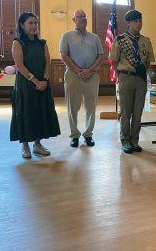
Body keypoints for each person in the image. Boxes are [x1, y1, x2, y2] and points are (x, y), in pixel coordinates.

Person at [10, 12, 61, 159]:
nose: (33, 26)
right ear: (22, 25)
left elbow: (48, 62)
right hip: (26, 84)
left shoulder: (42, 43)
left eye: (35, 23)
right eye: (30, 23)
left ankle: (37, 145)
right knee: (26, 112)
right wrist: (35, 81)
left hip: (43, 83)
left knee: (40, 112)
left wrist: (44, 80)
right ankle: (24, 145)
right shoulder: (18, 42)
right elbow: (20, 66)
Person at [109, 10, 155, 153]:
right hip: (126, 77)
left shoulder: (146, 41)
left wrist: (142, 73)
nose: (139, 23)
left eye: (140, 20)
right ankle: (125, 141)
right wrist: (122, 75)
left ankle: (135, 141)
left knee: (138, 112)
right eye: (135, 21)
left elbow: (148, 62)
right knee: (126, 112)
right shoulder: (120, 40)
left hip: (140, 79)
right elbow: (114, 60)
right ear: (128, 23)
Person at [59, 9, 103, 147]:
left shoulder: (94, 37)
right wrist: (78, 70)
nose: (83, 19)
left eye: (85, 17)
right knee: (73, 107)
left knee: (91, 107)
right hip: (73, 75)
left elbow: (101, 56)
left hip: (92, 75)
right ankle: (74, 135)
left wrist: (90, 70)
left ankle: (88, 135)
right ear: (74, 20)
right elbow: (64, 56)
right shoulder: (66, 36)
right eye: (79, 17)